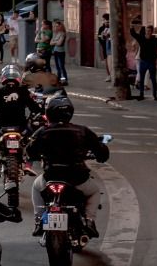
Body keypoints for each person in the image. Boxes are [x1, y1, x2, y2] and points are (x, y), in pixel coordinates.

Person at [27, 95, 110, 231]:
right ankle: (89, 220)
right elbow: (102, 153)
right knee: (94, 192)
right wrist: (100, 155)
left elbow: (30, 151)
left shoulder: (42, 132)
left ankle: (39, 219)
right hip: (78, 178)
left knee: (36, 187)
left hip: (51, 177)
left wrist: (37, 155)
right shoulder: (83, 131)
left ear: (49, 113)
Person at [0, 66, 37, 176]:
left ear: (3, 78)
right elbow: (35, 108)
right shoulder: (24, 91)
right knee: (34, 138)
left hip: (1, 128)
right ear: (18, 78)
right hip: (21, 128)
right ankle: (28, 164)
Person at [131, 24, 157, 100]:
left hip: (151, 62)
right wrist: (132, 27)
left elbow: (154, 50)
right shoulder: (142, 38)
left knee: (153, 79)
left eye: (149, 31)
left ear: (152, 31)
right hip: (143, 61)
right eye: (146, 30)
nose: (147, 32)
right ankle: (141, 94)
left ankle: (155, 94)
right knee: (142, 78)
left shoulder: (155, 40)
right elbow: (134, 34)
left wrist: (155, 59)